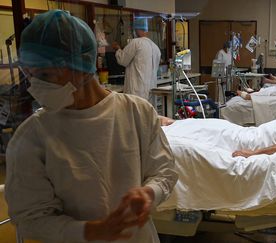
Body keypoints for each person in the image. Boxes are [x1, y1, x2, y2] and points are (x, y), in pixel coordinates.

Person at [5, 10, 177, 243]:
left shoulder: (137, 112)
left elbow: (164, 171)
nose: (36, 86)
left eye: (45, 74)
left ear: (77, 65)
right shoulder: (32, 136)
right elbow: (31, 220)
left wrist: (150, 192)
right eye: (32, 76)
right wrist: (91, 231)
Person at [112, 17, 161, 102]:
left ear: (137, 30)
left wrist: (117, 49)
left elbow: (122, 60)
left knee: (135, 113)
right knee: (147, 113)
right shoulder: (155, 47)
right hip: (151, 88)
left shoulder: (136, 43)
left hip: (137, 90)